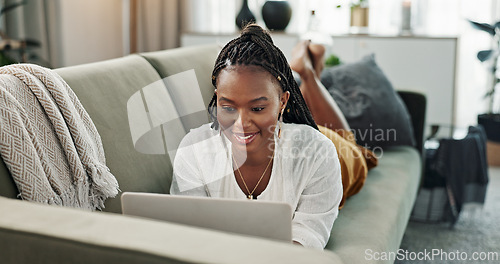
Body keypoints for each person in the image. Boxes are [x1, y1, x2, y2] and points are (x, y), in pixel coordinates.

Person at [170, 24, 376, 249]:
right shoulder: (194, 150)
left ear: (283, 102)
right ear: (217, 98)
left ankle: (309, 74)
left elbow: (306, 242)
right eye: (228, 107)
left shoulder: (320, 154)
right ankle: (308, 73)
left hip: (333, 155)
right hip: (278, 129)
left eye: (257, 108)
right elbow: (189, 235)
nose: (241, 124)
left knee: (351, 145)